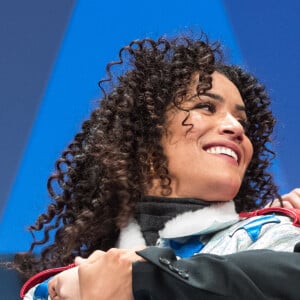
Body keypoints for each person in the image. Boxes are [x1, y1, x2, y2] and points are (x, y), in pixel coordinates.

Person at [17, 33, 300, 299]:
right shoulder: (59, 287)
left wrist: (143, 279)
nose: (235, 127)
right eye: (206, 107)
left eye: (243, 122)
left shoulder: (273, 237)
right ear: (147, 137)